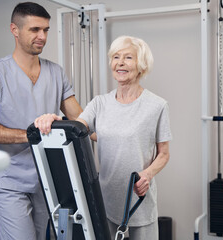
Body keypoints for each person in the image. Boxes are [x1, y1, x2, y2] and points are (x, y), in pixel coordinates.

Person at [35, 35, 172, 240]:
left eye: (128, 57)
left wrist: (148, 174)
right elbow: (76, 128)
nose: (120, 63)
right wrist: (54, 119)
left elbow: (163, 153)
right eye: (116, 57)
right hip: (105, 202)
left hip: (138, 201)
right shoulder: (100, 103)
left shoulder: (157, 105)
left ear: (141, 64)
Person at [0, 2, 82, 239]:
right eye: (34, 30)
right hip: (9, 180)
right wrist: (32, 135)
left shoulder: (56, 72)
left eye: (46, 30)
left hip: (47, 178)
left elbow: (80, 119)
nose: (42, 36)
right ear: (15, 29)